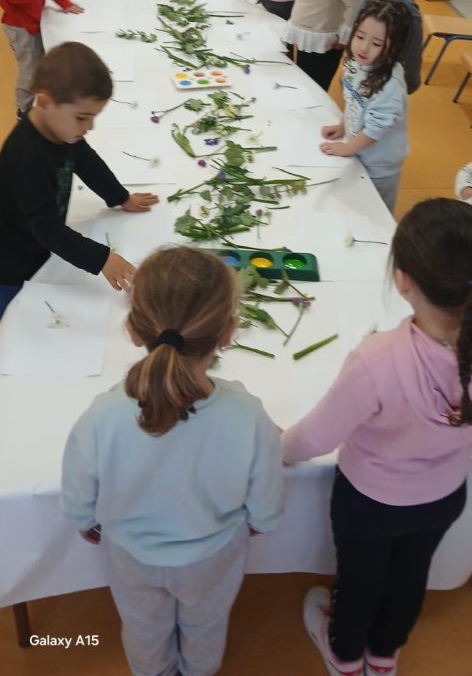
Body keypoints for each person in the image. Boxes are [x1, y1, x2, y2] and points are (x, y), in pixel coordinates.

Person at [62, 245, 283, 676]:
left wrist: (87, 521)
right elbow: (267, 510)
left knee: (143, 628)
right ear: (229, 332)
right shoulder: (249, 416)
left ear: (132, 329)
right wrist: (254, 523)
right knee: (206, 627)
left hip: (130, 555)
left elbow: (77, 500)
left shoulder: (101, 417)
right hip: (214, 557)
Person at [282, 197, 472, 676]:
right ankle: (384, 656)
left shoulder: (378, 359)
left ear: (403, 280)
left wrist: (278, 447)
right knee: (411, 575)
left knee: (359, 580)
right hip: (444, 496)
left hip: (370, 502)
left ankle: (345, 657)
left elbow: (316, 438)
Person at [0, 42, 159, 318]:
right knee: (14, 318)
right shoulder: (25, 155)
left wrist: (120, 197)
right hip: (11, 260)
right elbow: (48, 229)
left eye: (93, 117)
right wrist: (102, 258)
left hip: (38, 244)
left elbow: (87, 161)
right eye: (83, 118)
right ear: (45, 102)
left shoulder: (61, 130)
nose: (90, 127)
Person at [320, 0, 411, 212]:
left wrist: (347, 148)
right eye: (360, 36)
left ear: (394, 48)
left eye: (377, 44)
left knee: (375, 212)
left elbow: (375, 129)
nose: (363, 47)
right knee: (352, 203)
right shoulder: (356, 62)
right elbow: (352, 98)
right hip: (358, 149)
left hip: (379, 164)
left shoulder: (390, 85)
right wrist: (343, 125)